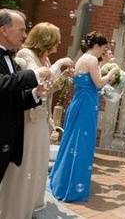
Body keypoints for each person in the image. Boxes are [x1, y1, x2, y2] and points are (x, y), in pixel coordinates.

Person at [0, 22, 73, 218]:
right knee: (24, 167)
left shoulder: (46, 59)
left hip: (41, 116)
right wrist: (58, 66)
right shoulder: (26, 55)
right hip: (28, 117)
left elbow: (46, 89)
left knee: (38, 167)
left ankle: (30, 209)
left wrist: (62, 77)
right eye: (55, 41)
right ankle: (13, 211)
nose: (58, 44)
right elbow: (37, 78)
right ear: (46, 40)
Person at [49, 31, 120, 202]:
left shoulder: (82, 58)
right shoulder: (92, 59)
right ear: (96, 46)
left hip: (79, 103)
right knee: (81, 144)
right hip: (86, 105)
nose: (103, 51)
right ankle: (72, 187)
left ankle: (63, 180)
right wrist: (112, 73)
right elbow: (99, 83)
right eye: (103, 48)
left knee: (72, 141)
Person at [0, 9, 50, 184]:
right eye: (21, 30)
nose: (25, 35)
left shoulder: (11, 59)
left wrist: (35, 94)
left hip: (6, 140)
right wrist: (34, 75)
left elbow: (12, 97)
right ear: (4, 30)